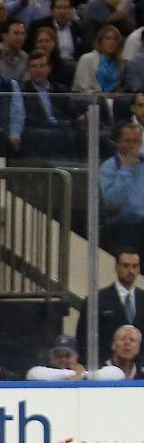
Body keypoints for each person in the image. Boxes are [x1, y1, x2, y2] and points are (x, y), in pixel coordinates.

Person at [77, 249, 144, 362]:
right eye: (126, 266)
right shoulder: (97, 300)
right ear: (116, 267)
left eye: (135, 266)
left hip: (140, 370)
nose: (131, 271)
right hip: (105, 368)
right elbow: (83, 339)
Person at [99, 125, 144, 258]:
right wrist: (125, 169)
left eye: (135, 141)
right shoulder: (109, 167)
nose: (131, 146)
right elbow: (113, 201)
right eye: (127, 141)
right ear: (118, 142)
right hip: (123, 225)